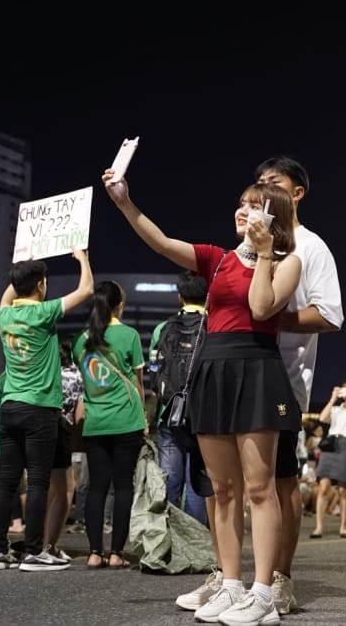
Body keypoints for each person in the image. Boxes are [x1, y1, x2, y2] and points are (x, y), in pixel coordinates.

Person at [103, 168, 301, 625]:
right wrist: (125, 203)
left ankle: (263, 593)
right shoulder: (217, 259)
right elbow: (161, 242)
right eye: (242, 202)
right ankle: (231, 584)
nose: (242, 210)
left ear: (274, 215)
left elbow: (260, 306)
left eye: (254, 205)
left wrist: (265, 252)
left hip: (256, 368)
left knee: (258, 487)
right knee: (223, 489)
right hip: (212, 371)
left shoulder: (289, 261)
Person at [255, 156, 344, 616]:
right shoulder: (250, 241)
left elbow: (330, 315)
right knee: (240, 485)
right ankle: (239, 579)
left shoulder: (311, 247)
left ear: (297, 193)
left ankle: (281, 579)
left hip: (283, 382)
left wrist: (273, 315)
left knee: (281, 483)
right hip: (241, 379)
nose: (265, 189)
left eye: (276, 183)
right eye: (260, 183)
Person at [0, 250, 94, 572]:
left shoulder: (4, 316)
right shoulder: (44, 312)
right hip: (40, 408)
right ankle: (33, 552)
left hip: (9, 408)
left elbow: (8, 295)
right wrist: (82, 259)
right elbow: (86, 290)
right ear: (43, 285)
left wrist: (21, 266)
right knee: (37, 483)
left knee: (5, 482)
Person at [72, 280, 147, 569]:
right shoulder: (128, 335)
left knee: (96, 488)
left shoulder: (81, 340)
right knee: (123, 487)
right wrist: (143, 419)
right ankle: (116, 553)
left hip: (96, 422)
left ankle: (94, 553)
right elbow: (138, 383)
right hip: (126, 419)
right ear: (119, 305)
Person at [149, 270, 210, 526]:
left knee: (170, 483)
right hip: (204, 417)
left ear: (180, 297)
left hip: (169, 416)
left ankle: (168, 543)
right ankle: (196, 544)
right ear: (207, 297)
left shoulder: (163, 329)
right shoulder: (215, 327)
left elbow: (154, 373)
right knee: (197, 483)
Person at [310, 379, 346, 539]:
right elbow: (322, 419)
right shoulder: (336, 409)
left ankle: (343, 527)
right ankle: (318, 527)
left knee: (343, 489)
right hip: (330, 444)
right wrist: (332, 399)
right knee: (323, 487)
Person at [42, 338, 81, 562]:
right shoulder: (74, 375)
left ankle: (35, 542)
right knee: (65, 489)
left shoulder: (44, 372)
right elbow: (80, 415)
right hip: (61, 429)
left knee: (41, 487)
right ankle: (50, 545)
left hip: (37, 428)